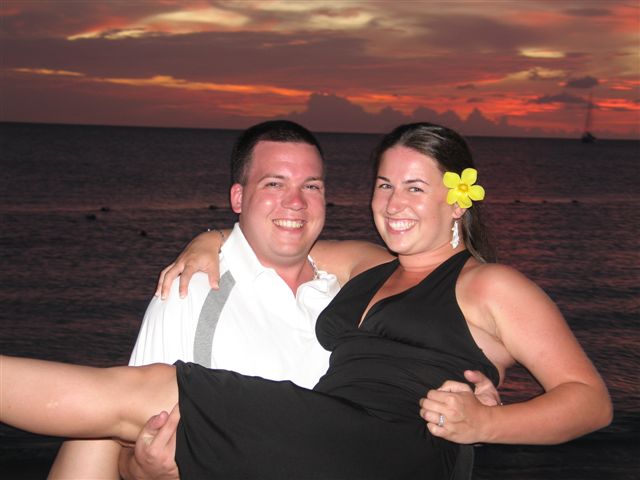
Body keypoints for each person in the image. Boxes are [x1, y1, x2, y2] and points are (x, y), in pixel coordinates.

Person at [3, 122, 611, 477]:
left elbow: (589, 401)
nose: (394, 203)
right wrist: (208, 239)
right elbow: (280, 237)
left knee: (140, 393)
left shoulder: (489, 284)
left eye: (415, 188)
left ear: (456, 200)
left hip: (396, 451)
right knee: (91, 429)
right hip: (329, 437)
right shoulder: (368, 267)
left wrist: (490, 423)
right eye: (384, 185)